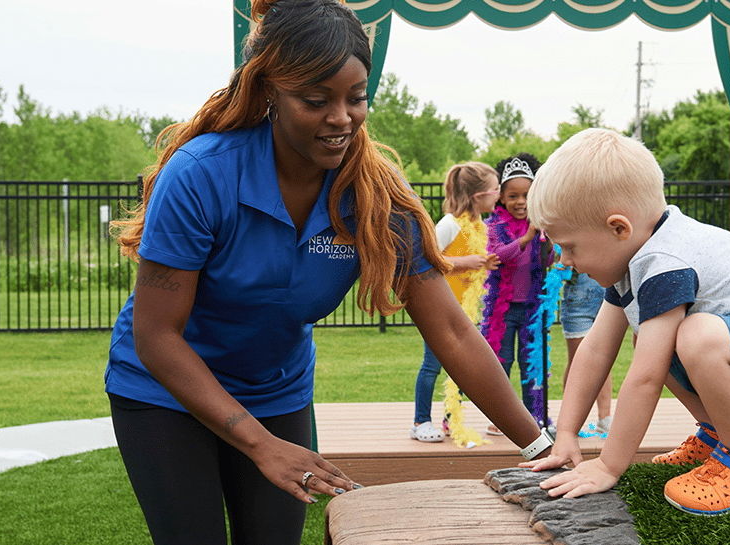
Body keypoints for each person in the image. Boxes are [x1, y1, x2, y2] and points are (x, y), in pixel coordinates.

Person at [104, 1, 549, 543]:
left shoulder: (378, 198)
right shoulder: (200, 176)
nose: (341, 117)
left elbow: (454, 333)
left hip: (275, 390)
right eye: (316, 100)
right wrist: (261, 445)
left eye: (356, 98)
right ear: (269, 89)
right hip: (163, 391)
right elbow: (156, 335)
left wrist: (539, 448)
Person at [521, 128, 730, 516]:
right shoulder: (636, 257)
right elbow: (596, 348)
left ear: (619, 228)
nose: (564, 260)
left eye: (569, 246)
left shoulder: (665, 259)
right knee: (655, 337)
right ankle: (720, 436)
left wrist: (608, 465)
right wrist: (566, 433)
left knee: (695, 335)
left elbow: (646, 377)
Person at [410, 161, 501, 442]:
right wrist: (465, 261)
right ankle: (420, 422)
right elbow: (425, 258)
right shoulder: (449, 224)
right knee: (432, 365)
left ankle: (451, 419)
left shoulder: (479, 226)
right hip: (438, 308)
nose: (499, 193)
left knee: (462, 366)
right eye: (495, 189)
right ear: (478, 196)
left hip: (464, 309)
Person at [481, 153, 555, 434]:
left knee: (530, 363)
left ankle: (533, 417)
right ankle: (502, 419)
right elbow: (498, 256)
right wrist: (524, 239)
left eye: (526, 195)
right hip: (503, 308)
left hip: (532, 308)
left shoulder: (539, 227)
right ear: (501, 198)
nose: (520, 202)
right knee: (502, 362)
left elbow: (546, 264)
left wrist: (545, 243)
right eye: (513, 196)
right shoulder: (495, 226)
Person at [558, 268, 613, 438]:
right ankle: (569, 421)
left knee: (604, 359)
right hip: (579, 300)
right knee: (578, 362)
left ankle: (605, 418)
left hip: (609, 298)